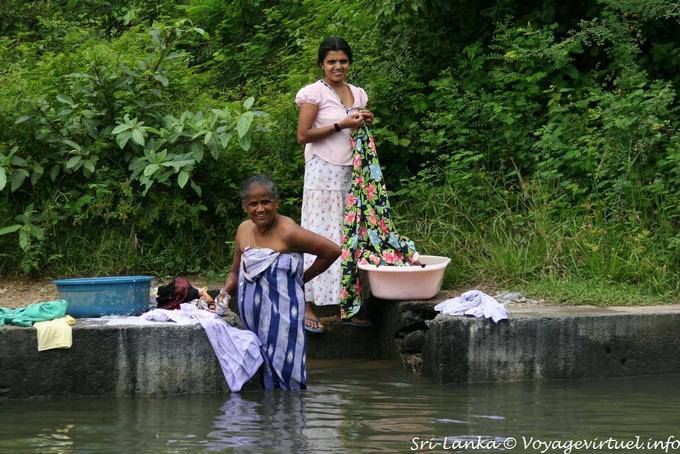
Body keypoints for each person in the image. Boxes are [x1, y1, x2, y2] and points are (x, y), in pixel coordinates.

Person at [221, 174, 340, 390]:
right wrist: (225, 291)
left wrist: (303, 278)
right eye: (253, 204)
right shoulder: (243, 230)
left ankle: (289, 420)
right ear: (245, 206)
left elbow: (332, 251)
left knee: (287, 378)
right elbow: (235, 270)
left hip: (284, 319)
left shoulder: (288, 231)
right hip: (252, 322)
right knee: (257, 375)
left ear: (276, 202)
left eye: (265, 202)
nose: (260, 209)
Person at [295, 37, 375, 332]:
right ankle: (307, 303)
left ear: (349, 63)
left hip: (349, 172)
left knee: (349, 236)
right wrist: (343, 124)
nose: (338, 66)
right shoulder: (313, 93)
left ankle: (347, 305)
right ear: (321, 64)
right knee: (318, 235)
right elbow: (303, 135)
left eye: (342, 61)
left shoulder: (357, 93)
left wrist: (365, 119)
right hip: (322, 172)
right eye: (332, 62)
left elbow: (356, 126)